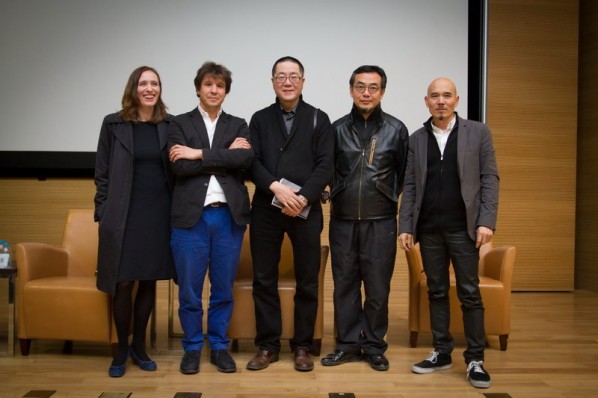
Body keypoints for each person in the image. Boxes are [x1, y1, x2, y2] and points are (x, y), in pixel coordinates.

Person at [398, 77, 499, 388]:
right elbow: (411, 186)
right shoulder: (416, 139)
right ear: (426, 102)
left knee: (469, 293)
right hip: (429, 230)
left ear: (457, 100)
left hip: (463, 229)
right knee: (437, 291)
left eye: (446, 96)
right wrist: (406, 226)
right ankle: (442, 352)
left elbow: (489, 178)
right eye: (434, 96)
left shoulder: (478, 132)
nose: (440, 101)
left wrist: (486, 221)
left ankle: (475, 359)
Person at [247, 56, 333, 372]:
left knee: (308, 281)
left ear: (302, 82)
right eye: (281, 76)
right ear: (272, 81)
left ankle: (302, 346)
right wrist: (276, 188)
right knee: (264, 279)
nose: (287, 81)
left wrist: (302, 196)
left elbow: (326, 164)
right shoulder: (258, 119)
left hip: (305, 211)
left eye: (293, 76)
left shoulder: (318, 119)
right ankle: (268, 346)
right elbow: (251, 161)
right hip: (265, 210)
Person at [321, 65, 409, 371]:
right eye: (360, 87)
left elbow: (403, 175)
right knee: (344, 285)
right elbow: (326, 170)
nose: (366, 93)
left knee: (377, 287)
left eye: (373, 87)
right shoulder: (335, 129)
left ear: (382, 92)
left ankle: (373, 346)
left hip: (381, 220)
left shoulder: (396, 130)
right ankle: (346, 345)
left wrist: (388, 196)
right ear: (351, 90)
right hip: (343, 219)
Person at [168, 62, 253, 375]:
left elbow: (244, 159)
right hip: (190, 220)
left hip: (228, 218)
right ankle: (192, 347)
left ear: (226, 91)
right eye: (208, 85)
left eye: (219, 86)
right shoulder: (178, 123)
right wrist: (222, 157)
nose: (214, 90)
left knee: (222, 289)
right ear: (198, 88)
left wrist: (197, 153)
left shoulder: (239, 124)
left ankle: (218, 346)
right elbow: (179, 166)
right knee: (189, 290)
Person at [94, 66, 176, 378]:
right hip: (121, 214)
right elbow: (101, 171)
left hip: (157, 213)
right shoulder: (113, 123)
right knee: (122, 282)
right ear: (134, 88)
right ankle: (120, 349)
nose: (150, 88)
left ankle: (140, 346)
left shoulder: (169, 125)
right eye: (144, 83)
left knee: (147, 280)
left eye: (155, 83)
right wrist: (103, 211)